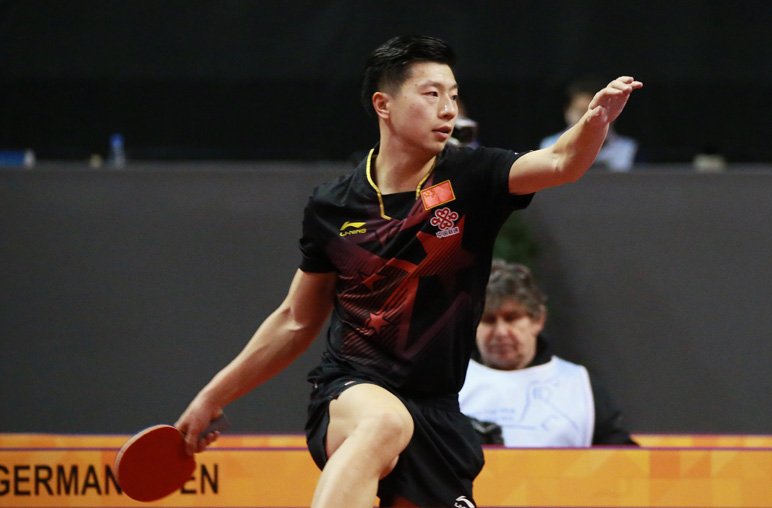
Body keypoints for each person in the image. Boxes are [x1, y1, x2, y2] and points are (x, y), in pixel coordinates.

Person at [174, 35, 642, 508]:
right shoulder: (334, 206)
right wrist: (212, 397)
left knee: (398, 427)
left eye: (453, 95)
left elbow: (561, 161)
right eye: (431, 94)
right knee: (384, 422)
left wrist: (595, 121)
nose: (448, 109)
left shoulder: (472, 176)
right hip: (352, 391)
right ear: (384, 105)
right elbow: (296, 319)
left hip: (436, 412)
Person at [459, 260, 637, 447]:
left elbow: (621, 456)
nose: (501, 332)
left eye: (512, 318)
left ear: (538, 320)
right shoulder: (450, 385)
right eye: (488, 320)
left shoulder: (580, 385)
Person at [540, 78, 639, 172]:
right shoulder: (548, 146)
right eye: (581, 112)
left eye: (596, 112)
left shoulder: (631, 149)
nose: (588, 120)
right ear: (567, 111)